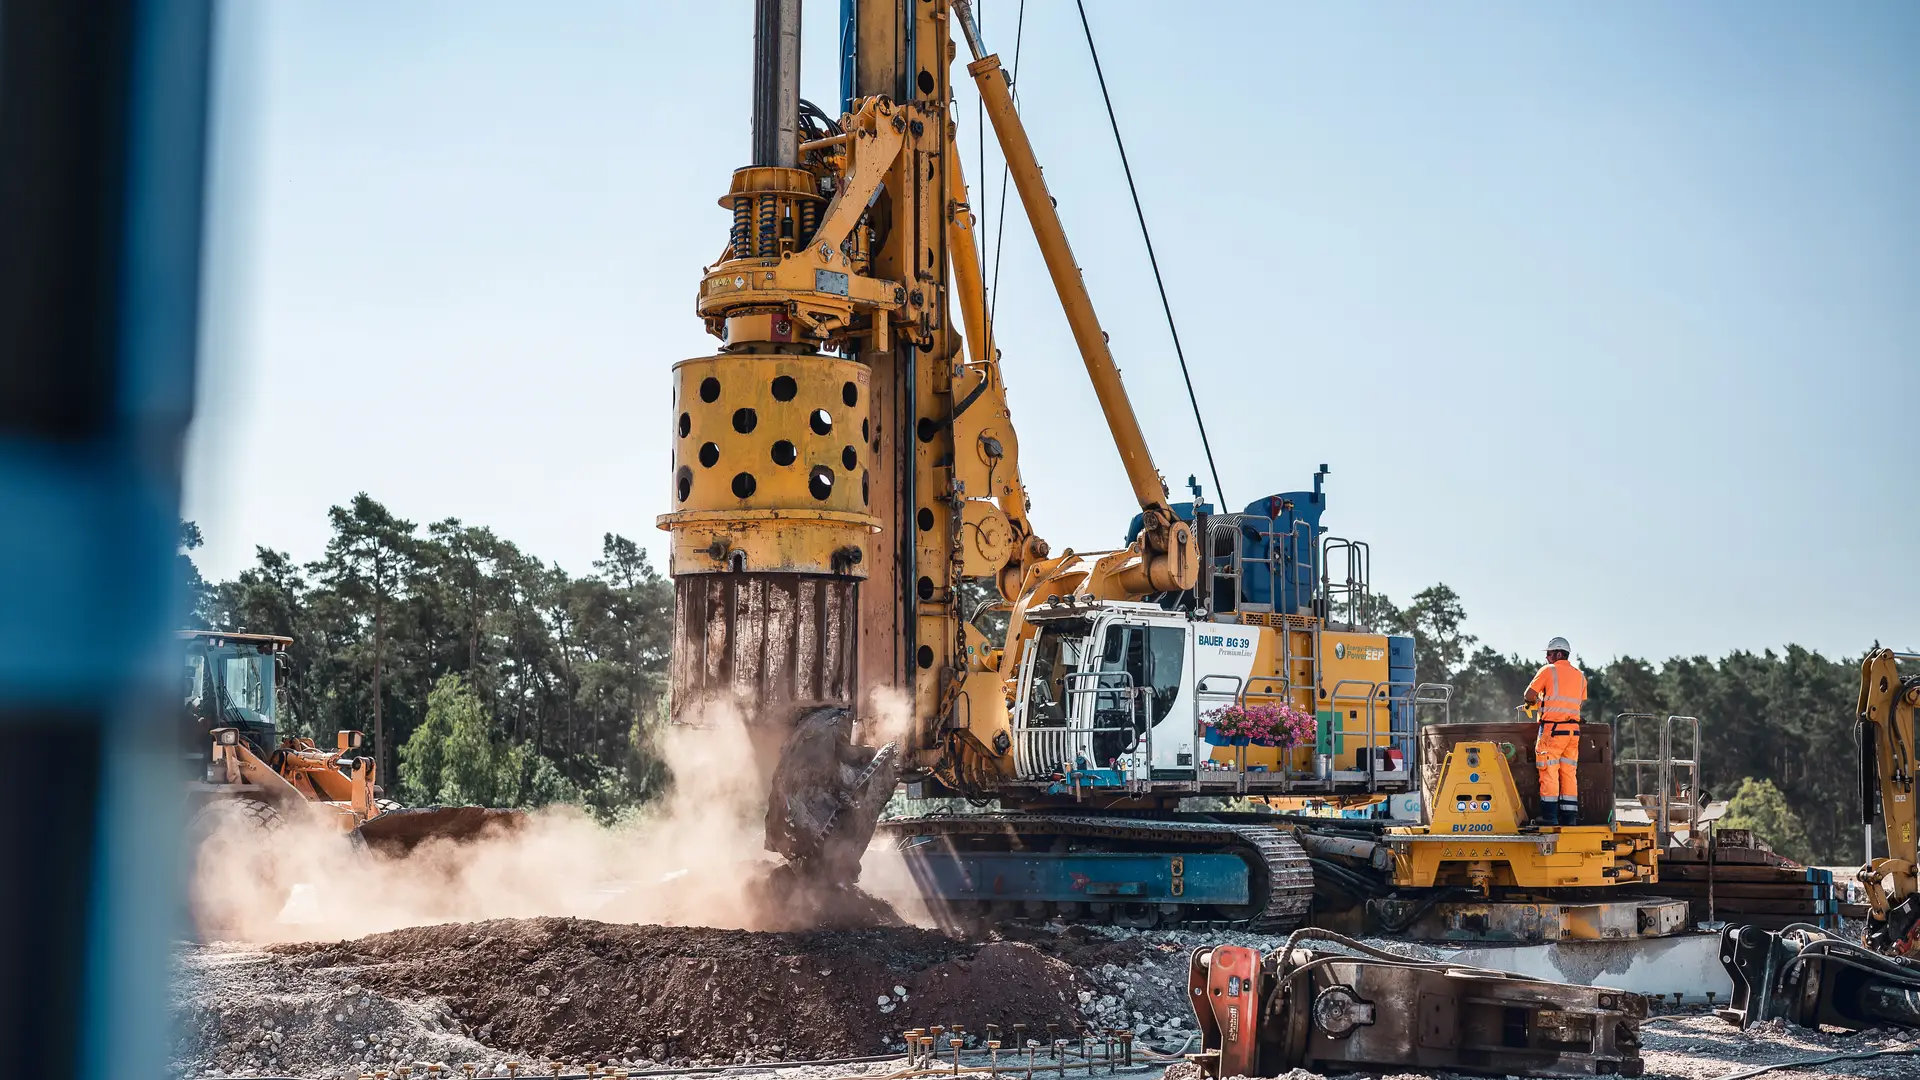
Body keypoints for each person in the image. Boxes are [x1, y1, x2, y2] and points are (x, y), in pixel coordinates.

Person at [1524, 636, 1586, 826]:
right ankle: (1569, 818)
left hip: (1552, 730)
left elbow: (1529, 694)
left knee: (1548, 770)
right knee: (1568, 773)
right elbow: (1577, 703)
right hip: (1573, 732)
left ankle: (1550, 817)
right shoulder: (1580, 676)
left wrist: (1532, 702)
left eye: (1550, 654)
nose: (1547, 658)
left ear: (1559, 654)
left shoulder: (1548, 670)